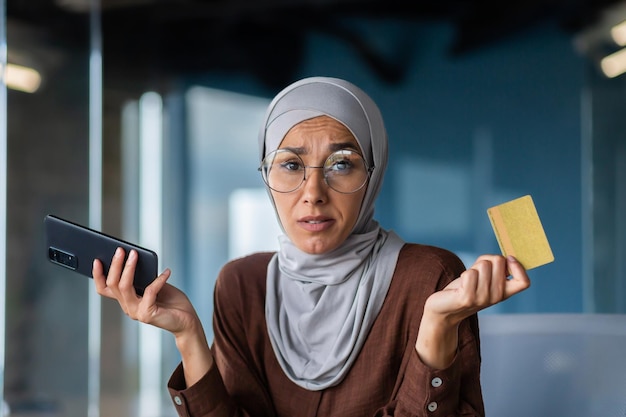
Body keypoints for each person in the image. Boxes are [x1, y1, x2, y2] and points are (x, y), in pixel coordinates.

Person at [92, 76, 531, 417]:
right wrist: (188, 334)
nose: (313, 192)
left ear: (373, 175)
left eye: (342, 164)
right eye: (290, 164)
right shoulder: (241, 285)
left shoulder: (429, 276)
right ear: (266, 174)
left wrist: (436, 327)